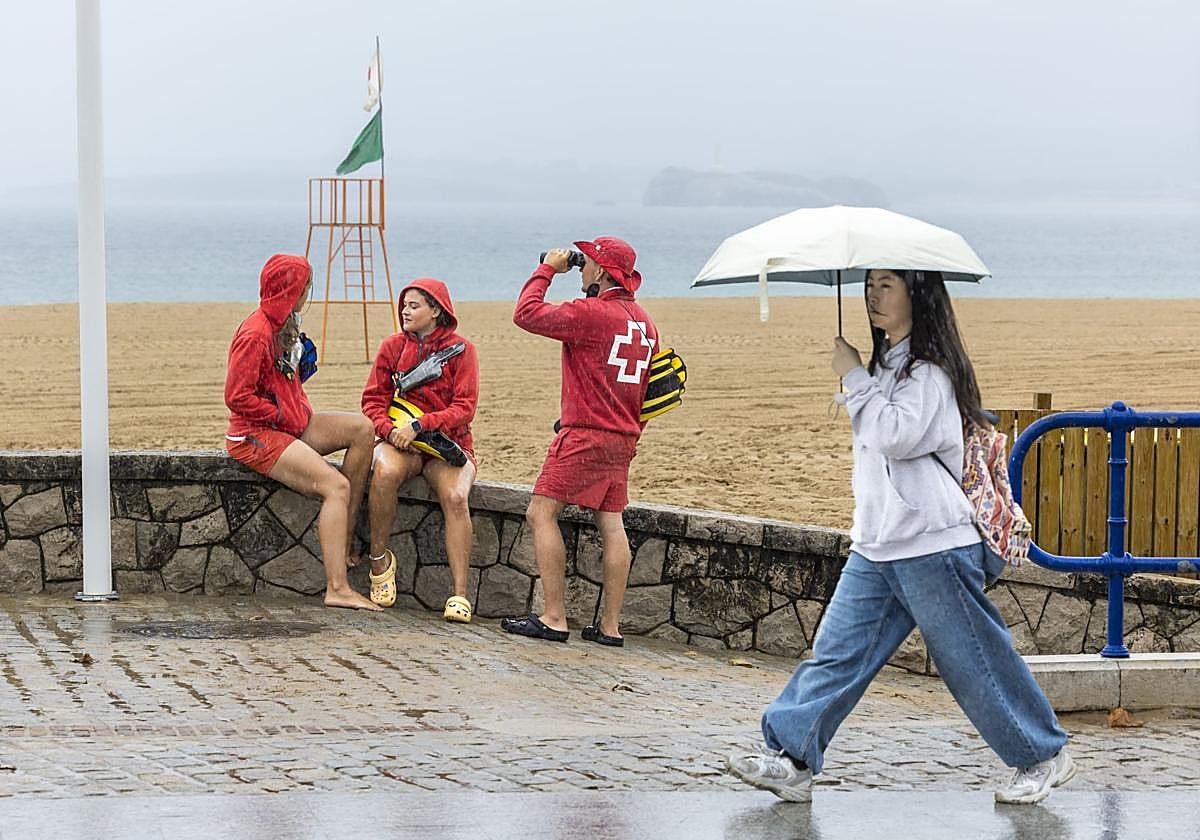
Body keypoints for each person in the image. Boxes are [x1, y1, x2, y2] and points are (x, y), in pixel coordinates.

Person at [725, 268, 1075, 805]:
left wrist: (854, 379)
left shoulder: (930, 373)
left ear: (919, 294)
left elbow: (896, 435)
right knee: (837, 654)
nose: (872, 294)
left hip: (933, 541)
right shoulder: (885, 365)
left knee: (972, 660)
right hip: (879, 543)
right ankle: (791, 759)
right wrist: (861, 377)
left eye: (886, 284)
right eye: (869, 284)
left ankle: (1042, 755)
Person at [500, 237, 659, 647]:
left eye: (585, 263)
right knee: (611, 522)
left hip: (586, 432)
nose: (582, 268)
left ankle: (554, 617)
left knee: (541, 513)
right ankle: (609, 627)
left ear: (602, 272)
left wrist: (549, 269)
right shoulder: (644, 322)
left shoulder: (592, 314)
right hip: (624, 435)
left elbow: (526, 313)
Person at [224, 254, 380, 611]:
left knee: (362, 429)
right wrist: (278, 411)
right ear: (292, 290)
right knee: (334, 486)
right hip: (256, 435)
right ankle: (337, 587)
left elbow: (281, 380)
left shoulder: (286, 324)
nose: (308, 294)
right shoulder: (256, 333)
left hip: (291, 424)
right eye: (305, 287)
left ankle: (344, 535)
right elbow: (236, 396)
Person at [361, 278, 480, 620]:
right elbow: (372, 401)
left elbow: (464, 407)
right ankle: (379, 561)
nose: (405, 311)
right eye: (404, 305)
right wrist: (388, 430)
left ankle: (459, 594)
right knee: (384, 473)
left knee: (457, 497)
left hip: (447, 443)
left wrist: (421, 425)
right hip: (401, 441)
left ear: (436, 311)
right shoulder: (392, 347)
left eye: (414, 306)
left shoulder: (463, 351)